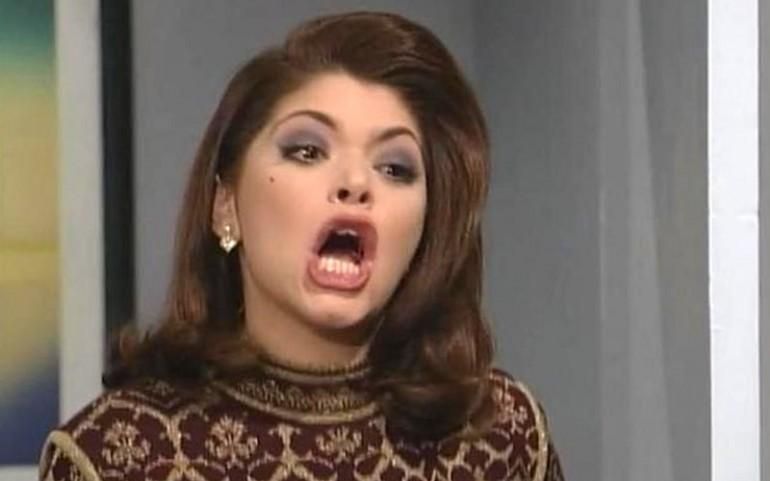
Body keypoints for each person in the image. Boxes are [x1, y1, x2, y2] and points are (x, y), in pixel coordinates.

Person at [40, 11, 564, 481]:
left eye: (394, 167)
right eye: (308, 151)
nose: (356, 182)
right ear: (226, 205)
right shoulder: (115, 456)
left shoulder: (502, 435)